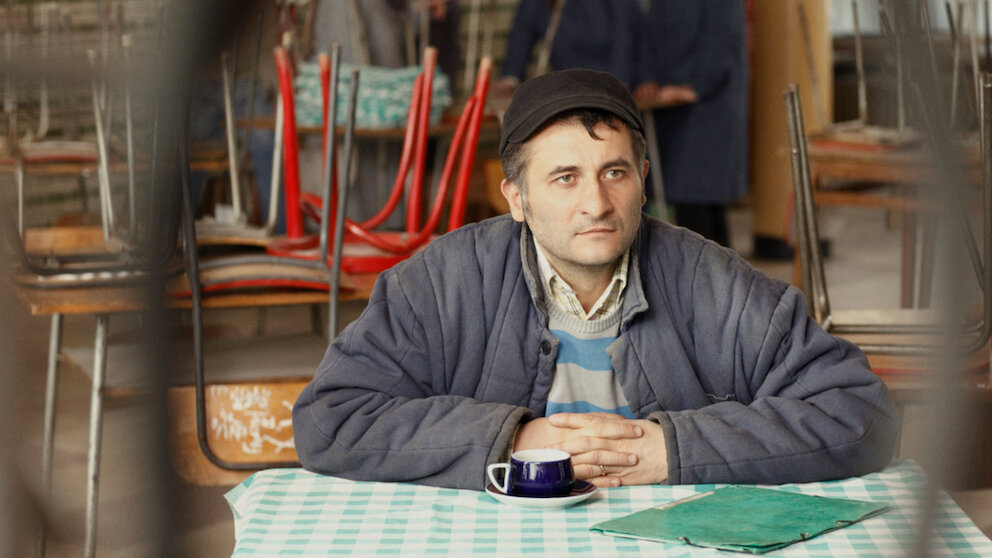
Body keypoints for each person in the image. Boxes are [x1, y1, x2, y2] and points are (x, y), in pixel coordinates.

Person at [292, 69, 898, 490]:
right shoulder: (440, 282)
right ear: (516, 198)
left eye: (615, 172)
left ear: (643, 179)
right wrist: (511, 442)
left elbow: (860, 413)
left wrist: (675, 449)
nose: (597, 204)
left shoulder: (714, 283)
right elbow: (329, 419)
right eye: (565, 178)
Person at [634, 0, 749, 247]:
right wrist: (647, 77)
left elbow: (721, 38)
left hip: (709, 103)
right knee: (692, 203)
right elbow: (649, 31)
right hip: (670, 105)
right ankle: (716, 271)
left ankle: (710, 271)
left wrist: (694, 88)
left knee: (699, 198)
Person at [493, 0, 643, 96]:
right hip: (566, 83)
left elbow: (623, 36)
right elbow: (522, 32)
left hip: (606, 79)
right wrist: (511, 76)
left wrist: (619, 81)